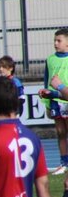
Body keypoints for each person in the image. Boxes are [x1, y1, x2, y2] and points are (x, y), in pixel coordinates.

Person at [37, 28, 68, 174]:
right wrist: (47, 102)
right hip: (55, 100)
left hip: (66, 98)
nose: (55, 43)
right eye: (55, 40)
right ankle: (64, 162)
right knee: (60, 132)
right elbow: (47, 80)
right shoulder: (50, 59)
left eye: (59, 40)